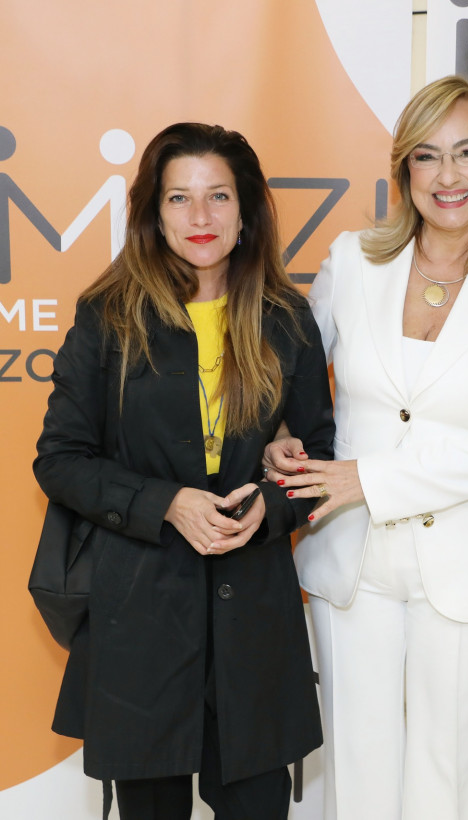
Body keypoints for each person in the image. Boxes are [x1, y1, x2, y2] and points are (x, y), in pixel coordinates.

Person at [263, 76, 468, 819]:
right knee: (357, 770)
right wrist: (280, 437)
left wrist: (367, 479)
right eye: (427, 156)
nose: (448, 175)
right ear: (404, 171)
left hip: (466, 564)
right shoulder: (353, 260)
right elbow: (295, 379)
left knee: (453, 781)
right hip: (350, 560)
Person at [33, 123, 334, 820]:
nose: (201, 216)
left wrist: (272, 504)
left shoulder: (287, 318)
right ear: (154, 213)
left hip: (254, 622)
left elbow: (315, 454)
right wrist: (166, 502)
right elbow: (60, 460)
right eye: (179, 198)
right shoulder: (109, 316)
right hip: (140, 618)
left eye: (218, 196)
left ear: (246, 210)